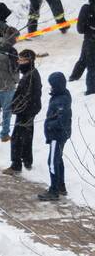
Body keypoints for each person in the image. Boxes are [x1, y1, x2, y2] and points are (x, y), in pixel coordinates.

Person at [6, 49, 42, 174]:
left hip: (25, 112)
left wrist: (16, 107)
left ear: (28, 61)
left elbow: (26, 96)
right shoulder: (31, 74)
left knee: (17, 138)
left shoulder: (30, 76)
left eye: (21, 60)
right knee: (27, 136)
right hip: (29, 110)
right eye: (19, 60)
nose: (19, 62)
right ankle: (27, 161)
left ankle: (16, 165)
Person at [39, 72, 71, 201]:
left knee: (52, 162)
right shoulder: (61, 95)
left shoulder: (61, 100)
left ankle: (54, 190)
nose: (51, 87)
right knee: (58, 159)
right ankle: (61, 186)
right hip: (59, 134)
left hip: (57, 135)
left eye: (52, 85)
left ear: (57, 85)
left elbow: (62, 119)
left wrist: (49, 125)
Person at [70, 0, 95, 95]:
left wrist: (88, 28)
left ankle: (91, 90)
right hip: (90, 40)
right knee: (84, 59)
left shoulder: (86, 8)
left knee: (91, 65)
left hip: (90, 40)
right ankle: (74, 77)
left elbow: (80, 29)